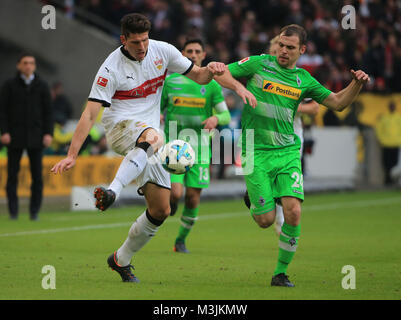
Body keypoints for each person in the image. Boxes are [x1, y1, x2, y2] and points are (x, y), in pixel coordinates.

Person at [51, 13, 255, 283]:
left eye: (145, 40)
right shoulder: (110, 68)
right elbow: (89, 115)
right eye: (136, 43)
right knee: (155, 136)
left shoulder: (163, 51)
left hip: (149, 140)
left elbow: (201, 77)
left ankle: (120, 259)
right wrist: (72, 155)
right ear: (123, 39)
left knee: (162, 210)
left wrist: (220, 73)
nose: (143, 47)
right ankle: (112, 191)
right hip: (120, 128)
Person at [215, 24, 370, 287]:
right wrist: (239, 89)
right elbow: (220, 73)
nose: (283, 51)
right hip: (256, 150)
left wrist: (355, 85)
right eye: (281, 45)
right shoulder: (258, 64)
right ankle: (255, 200)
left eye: (290, 47)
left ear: (302, 50)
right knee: (265, 220)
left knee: (294, 212)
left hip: (287, 151)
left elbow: (339, 103)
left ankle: (280, 273)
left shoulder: (304, 80)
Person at [160, 39, 231, 253]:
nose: (193, 54)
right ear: (182, 54)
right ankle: (169, 204)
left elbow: (225, 113)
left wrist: (215, 120)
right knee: (176, 193)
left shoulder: (211, 85)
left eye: (197, 51)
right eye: (189, 51)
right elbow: (155, 108)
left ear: (203, 54)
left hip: (200, 148)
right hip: (173, 146)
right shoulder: (170, 82)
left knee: (192, 197)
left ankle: (180, 240)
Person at [0, 53, 53, 221]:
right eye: (25, 63)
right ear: (19, 65)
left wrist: (48, 133)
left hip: (36, 136)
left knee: (37, 177)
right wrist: (4, 132)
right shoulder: (9, 85)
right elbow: (2, 111)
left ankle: (34, 211)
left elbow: (48, 112)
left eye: (31, 63)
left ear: (34, 66)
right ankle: (13, 212)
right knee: (12, 176)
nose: (28, 66)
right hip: (14, 136)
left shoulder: (42, 86)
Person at [374, 101, 401, 185]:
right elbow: (379, 129)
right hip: (386, 144)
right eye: (391, 106)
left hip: (396, 143)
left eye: (393, 106)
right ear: (389, 107)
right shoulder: (384, 117)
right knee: (386, 163)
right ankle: (388, 179)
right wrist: (381, 139)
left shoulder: (398, 117)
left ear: (395, 107)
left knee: (395, 163)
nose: (392, 107)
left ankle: (394, 179)